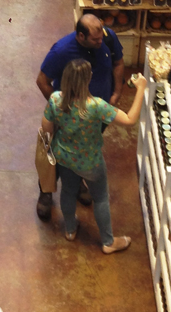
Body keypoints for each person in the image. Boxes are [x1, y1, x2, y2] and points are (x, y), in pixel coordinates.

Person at [41, 60, 146, 252]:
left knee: (68, 192)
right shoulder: (97, 106)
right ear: (88, 79)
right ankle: (108, 242)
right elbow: (130, 120)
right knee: (100, 198)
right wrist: (141, 89)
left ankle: (70, 230)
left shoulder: (56, 99)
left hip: (64, 157)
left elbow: (46, 128)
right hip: (90, 162)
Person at [35, 13, 124, 217]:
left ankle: (76, 182)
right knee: (55, 151)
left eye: (101, 37)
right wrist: (61, 109)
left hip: (96, 114)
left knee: (84, 148)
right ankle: (46, 191)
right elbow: (42, 81)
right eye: (95, 39)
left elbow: (118, 63)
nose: (101, 41)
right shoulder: (62, 51)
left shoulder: (107, 38)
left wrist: (116, 93)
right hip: (67, 117)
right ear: (81, 36)